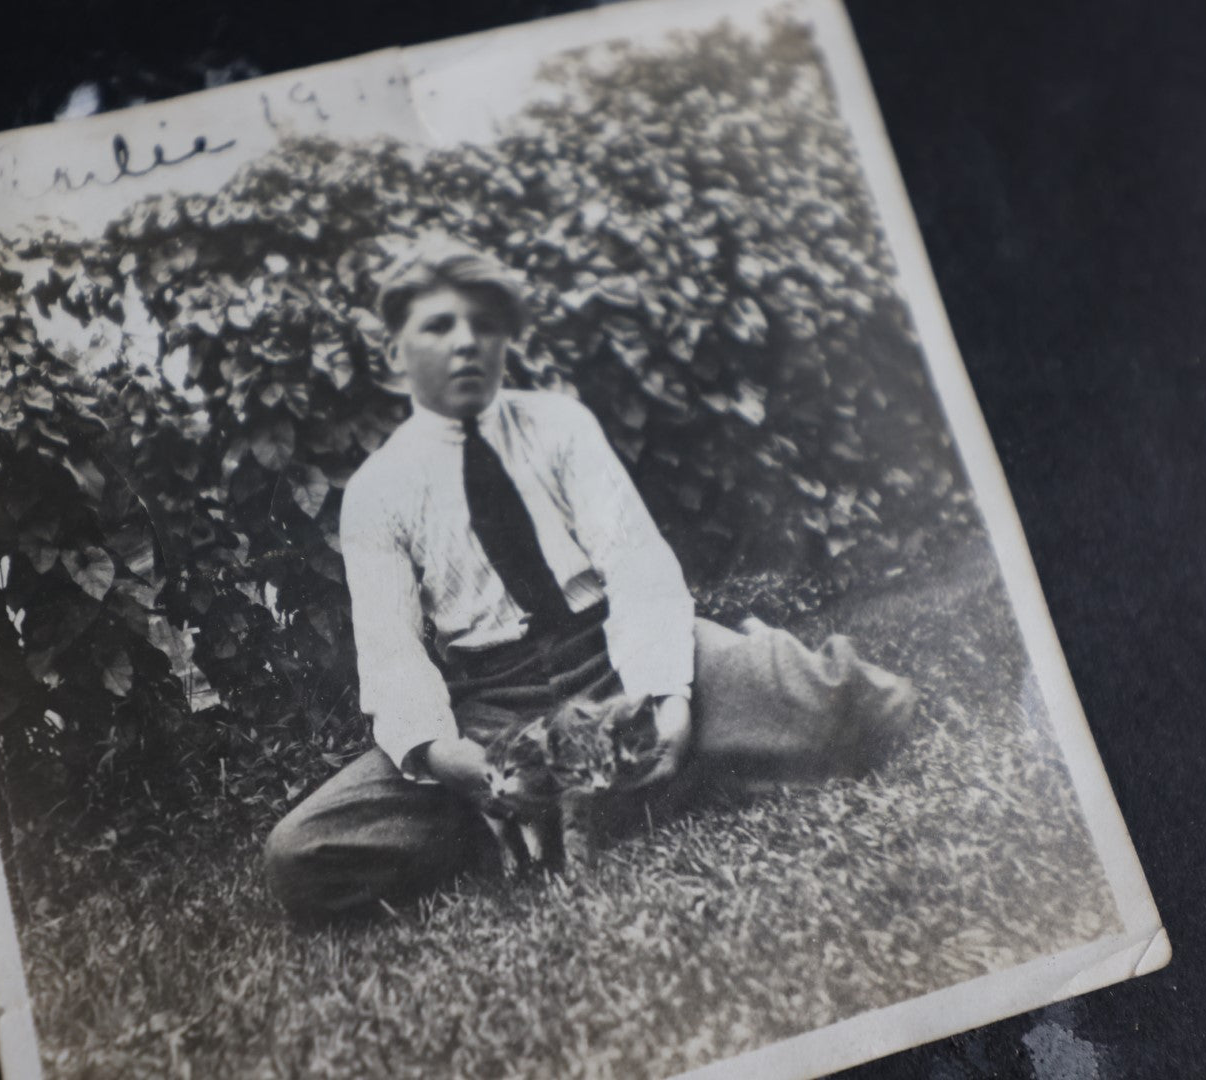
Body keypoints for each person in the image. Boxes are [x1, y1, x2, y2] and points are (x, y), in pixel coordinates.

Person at [263, 236, 915, 919]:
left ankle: (642, 766)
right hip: (490, 705)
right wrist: (446, 756)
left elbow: (636, 566)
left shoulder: (557, 426)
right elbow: (391, 650)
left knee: (851, 705)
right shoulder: (377, 489)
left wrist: (670, 698)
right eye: (439, 326)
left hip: (610, 659)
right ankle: (576, 799)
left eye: (485, 326)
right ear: (395, 352)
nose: (467, 344)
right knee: (304, 858)